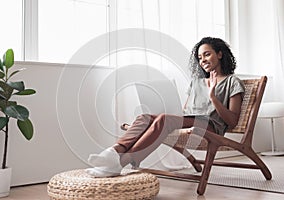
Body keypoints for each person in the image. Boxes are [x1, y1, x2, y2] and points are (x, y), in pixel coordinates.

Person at [85, 37, 245, 177]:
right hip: (191, 122)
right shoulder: (196, 83)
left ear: (220, 54)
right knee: (144, 117)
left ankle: (119, 163)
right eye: (200, 57)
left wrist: (213, 97)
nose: (202, 60)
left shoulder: (232, 82)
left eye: (207, 54)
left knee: (162, 120)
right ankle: (113, 152)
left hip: (210, 128)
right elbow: (185, 112)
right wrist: (172, 112)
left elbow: (232, 121)